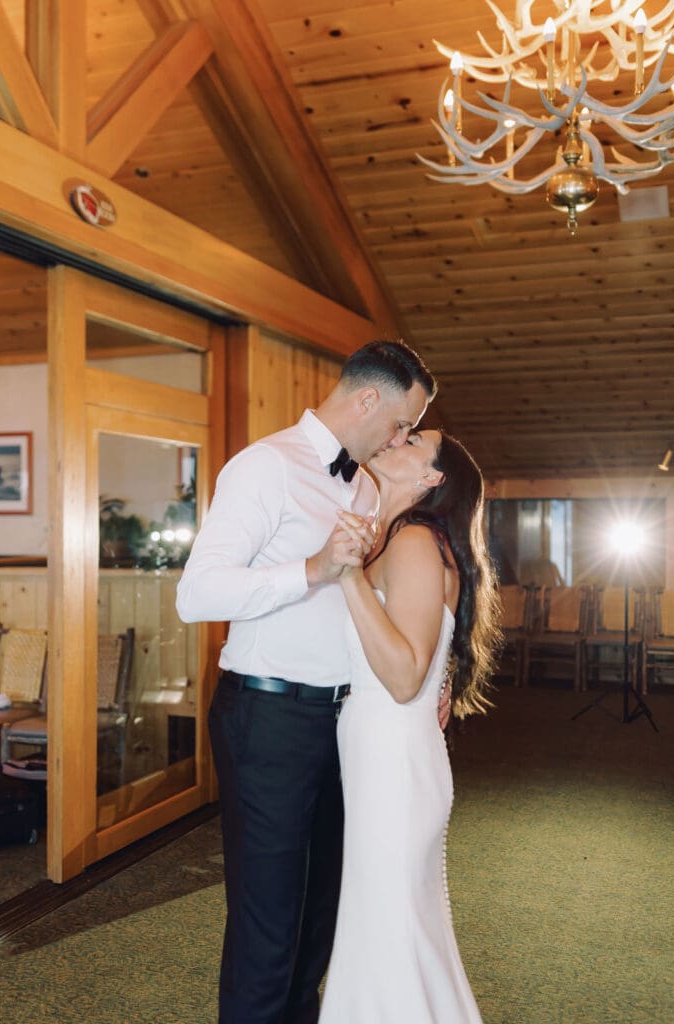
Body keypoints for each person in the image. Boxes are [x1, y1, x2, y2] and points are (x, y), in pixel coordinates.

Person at [175, 340, 437, 1024]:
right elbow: (196, 594)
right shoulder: (265, 467)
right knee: (268, 929)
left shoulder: (364, 483)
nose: (401, 438)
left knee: (319, 922)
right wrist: (312, 569)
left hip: (341, 723)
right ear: (369, 400)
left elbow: (364, 613)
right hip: (268, 720)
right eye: (402, 424)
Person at [318, 429, 501, 1023]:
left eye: (413, 439)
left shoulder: (416, 542)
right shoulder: (392, 538)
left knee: (390, 929)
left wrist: (347, 577)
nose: (395, 438)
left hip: (395, 757)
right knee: (385, 925)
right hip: (380, 749)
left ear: (431, 478)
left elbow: (401, 677)